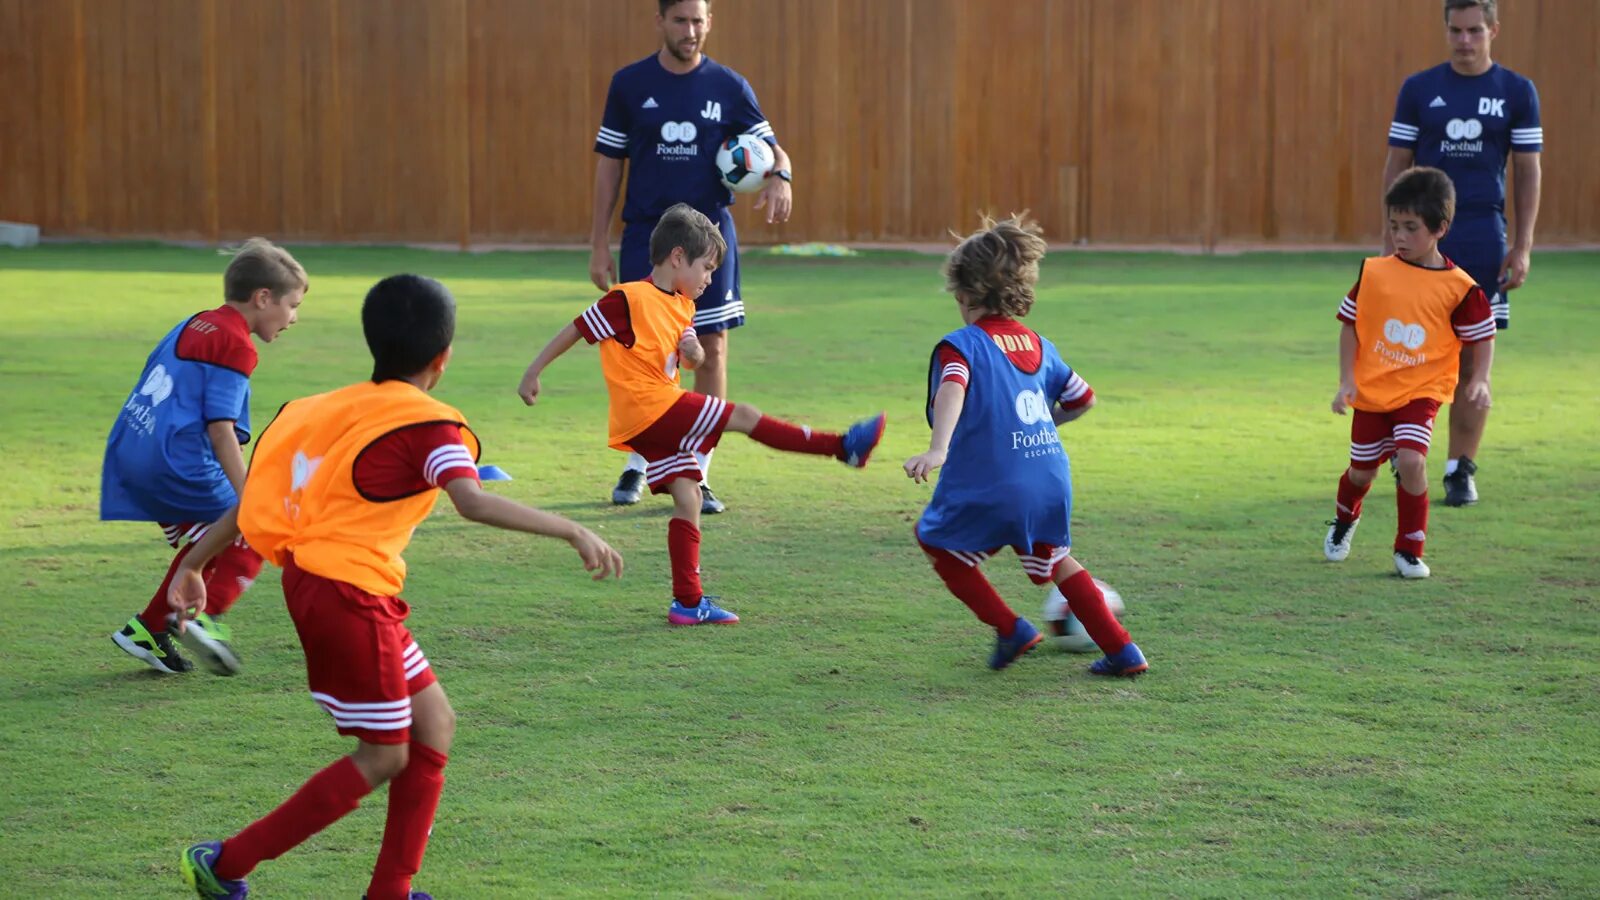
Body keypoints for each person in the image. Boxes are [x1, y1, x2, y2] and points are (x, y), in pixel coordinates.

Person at [172, 274, 624, 900]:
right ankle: (226, 862)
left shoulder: (322, 409)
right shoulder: (430, 426)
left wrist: (195, 562)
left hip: (327, 586)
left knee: (433, 722)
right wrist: (571, 529)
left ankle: (392, 889)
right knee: (385, 754)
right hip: (348, 595)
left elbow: (255, 502)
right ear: (443, 358)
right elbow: (470, 501)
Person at [520, 204, 882, 627]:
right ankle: (841, 447)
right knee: (743, 415)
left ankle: (687, 603)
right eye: (706, 268)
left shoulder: (683, 308)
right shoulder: (627, 298)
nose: (710, 278)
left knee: (688, 496)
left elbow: (687, 361)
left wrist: (692, 354)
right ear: (677, 258)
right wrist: (533, 371)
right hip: (652, 408)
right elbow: (576, 329)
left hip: (652, 415)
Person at [903, 215, 1147, 677]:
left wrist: (938, 449)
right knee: (1057, 558)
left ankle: (1009, 627)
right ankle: (1123, 651)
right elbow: (1082, 399)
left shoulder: (963, 346)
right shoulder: (1039, 343)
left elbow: (953, 387)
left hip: (994, 480)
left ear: (964, 292)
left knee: (935, 540)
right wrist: (1038, 425)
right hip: (1048, 475)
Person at [590, 0, 795, 515]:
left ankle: (698, 470)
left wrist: (780, 177)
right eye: (680, 20)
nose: (691, 30)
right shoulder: (629, 85)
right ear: (659, 21)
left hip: (709, 240)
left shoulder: (729, 86)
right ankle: (642, 462)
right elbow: (609, 166)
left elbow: (773, 150)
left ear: (710, 22)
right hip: (648, 238)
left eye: (698, 20)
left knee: (713, 349)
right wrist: (597, 241)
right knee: (646, 354)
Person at [102, 237, 307, 675]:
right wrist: (248, 493)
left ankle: (150, 630)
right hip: (175, 463)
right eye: (292, 306)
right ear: (263, 297)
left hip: (136, 449)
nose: (294, 318)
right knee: (259, 524)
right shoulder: (237, 344)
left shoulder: (195, 322)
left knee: (208, 536)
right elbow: (220, 430)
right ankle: (205, 618)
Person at [1382, 0, 1540, 507]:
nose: (1465, 40)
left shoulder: (1516, 91)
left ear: (1493, 30)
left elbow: (1528, 171)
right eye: (1456, 30)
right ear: (1446, 30)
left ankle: (1460, 469)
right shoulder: (1419, 89)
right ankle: (1407, 456)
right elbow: (1397, 163)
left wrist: (1523, 246)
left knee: (1475, 358)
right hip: (1424, 242)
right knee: (1408, 351)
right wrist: (1393, 241)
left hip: (1482, 237)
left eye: (1475, 30)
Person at [1327, 167, 1496, 579]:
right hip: (1373, 391)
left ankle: (1409, 549)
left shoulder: (1460, 288)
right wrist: (1347, 380)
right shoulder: (1375, 272)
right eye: (1393, 226)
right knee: (1361, 471)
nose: (1399, 237)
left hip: (1422, 391)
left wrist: (1479, 379)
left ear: (1440, 228)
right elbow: (1349, 323)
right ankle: (1345, 520)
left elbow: (1483, 334)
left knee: (1412, 460)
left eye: (1410, 228)